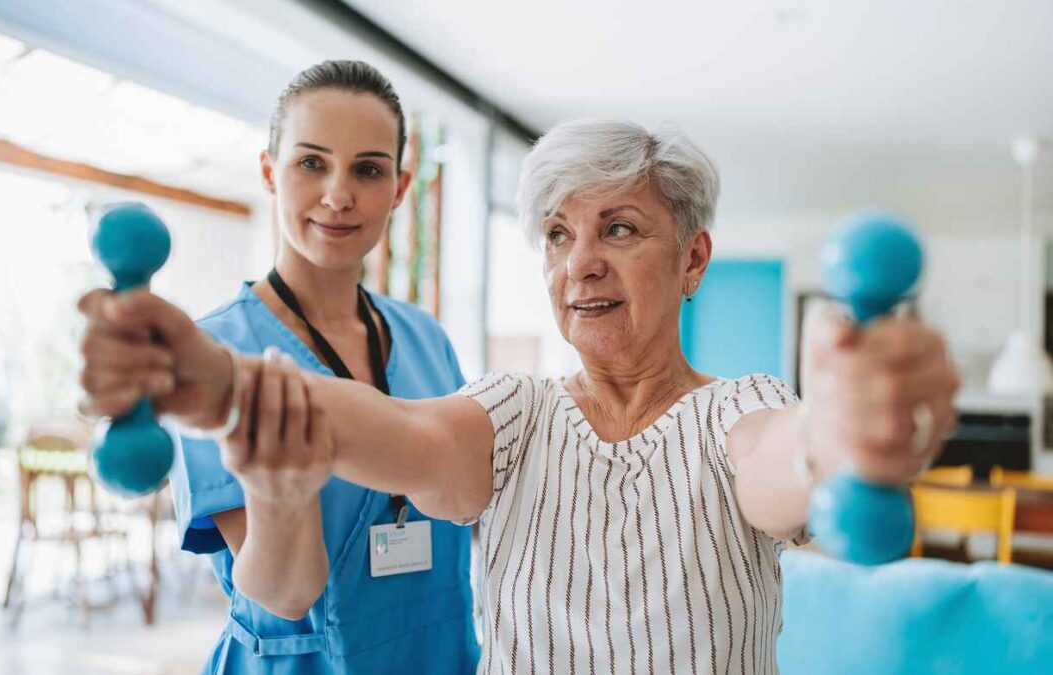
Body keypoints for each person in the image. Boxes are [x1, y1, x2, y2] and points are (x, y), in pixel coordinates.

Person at [79, 119, 959, 673]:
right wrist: (219, 379)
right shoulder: (516, 409)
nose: (581, 262)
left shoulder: (740, 409)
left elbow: (784, 457)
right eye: (557, 235)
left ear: (692, 259)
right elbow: (398, 433)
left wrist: (836, 434)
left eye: (620, 228)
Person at [80, 60, 479, 674]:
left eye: (367, 169)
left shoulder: (427, 338)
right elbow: (286, 594)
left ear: (398, 188)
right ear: (269, 172)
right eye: (311, 163)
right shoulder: (209, 355)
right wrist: (278, 488)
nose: (338, 195)